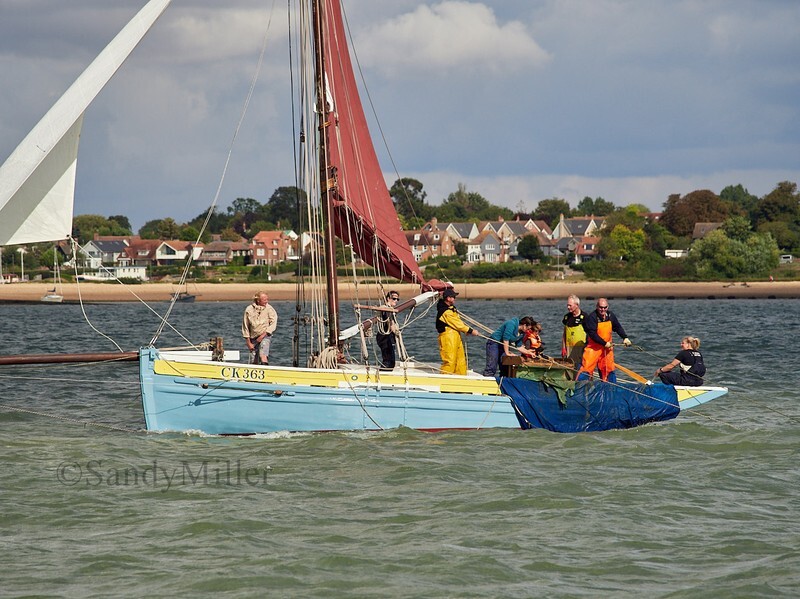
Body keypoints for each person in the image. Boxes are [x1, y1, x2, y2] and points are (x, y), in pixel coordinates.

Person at [577, 298, 631, 382]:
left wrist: (625, 337)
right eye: (601, 307)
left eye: (605, 307)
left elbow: (617, 327)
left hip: (607, 348)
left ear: (607, 307)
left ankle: (610, 388)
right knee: (586, 367)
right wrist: (604, 343)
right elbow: (592, 334)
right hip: (593, 348)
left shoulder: (610, 316)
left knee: (608, 368)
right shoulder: (592, 317)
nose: (603, 310)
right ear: (597, 307)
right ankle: (579, 387)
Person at [436, 288, 478, 375]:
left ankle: (460, 377)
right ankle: (445, 379)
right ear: (448, 298)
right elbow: (457, 324)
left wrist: (464, 330)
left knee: (460, 360)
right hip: (447, 337)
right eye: (453, 297)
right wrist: (470, 330)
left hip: (455, 335)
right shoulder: (445, 312)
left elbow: (457, 322)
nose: (455, 299)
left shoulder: (451, 309)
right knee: (450, 360)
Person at [241, 291, 278, 365]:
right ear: (258, 300)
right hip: (253, 337)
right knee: (253, 358)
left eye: (267, 299)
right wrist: (248, 342)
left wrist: (263, 335)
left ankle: (265, 367)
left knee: (263, 354)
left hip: (265, 335)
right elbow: (245, 326)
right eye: (264, 300)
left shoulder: (269, 309)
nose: (266, 301)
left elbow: (273, 323)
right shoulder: (249, 309)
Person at [376, 290, 400, 370]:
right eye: (394, 298)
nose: (396, 301)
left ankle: (386, 373)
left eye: (397, 299)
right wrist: (396, 331)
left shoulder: (390, 310)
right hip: (384, 337)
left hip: (390, 337)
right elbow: (391, 324)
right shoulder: (385, 309)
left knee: (392, 361)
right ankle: (383, 374)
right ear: (388, 299)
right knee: (388, 361)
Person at [561, 294, 587, 369]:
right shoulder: (567, 317)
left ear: (577, 305)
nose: (568, 307)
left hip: (581, 348)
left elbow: (590, 334)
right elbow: (564, 334)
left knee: (581, 368)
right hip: (569, 348)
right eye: (567, 305)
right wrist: (563, 348)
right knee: (570, 369)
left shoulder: (584, 317)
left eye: (570, 305)